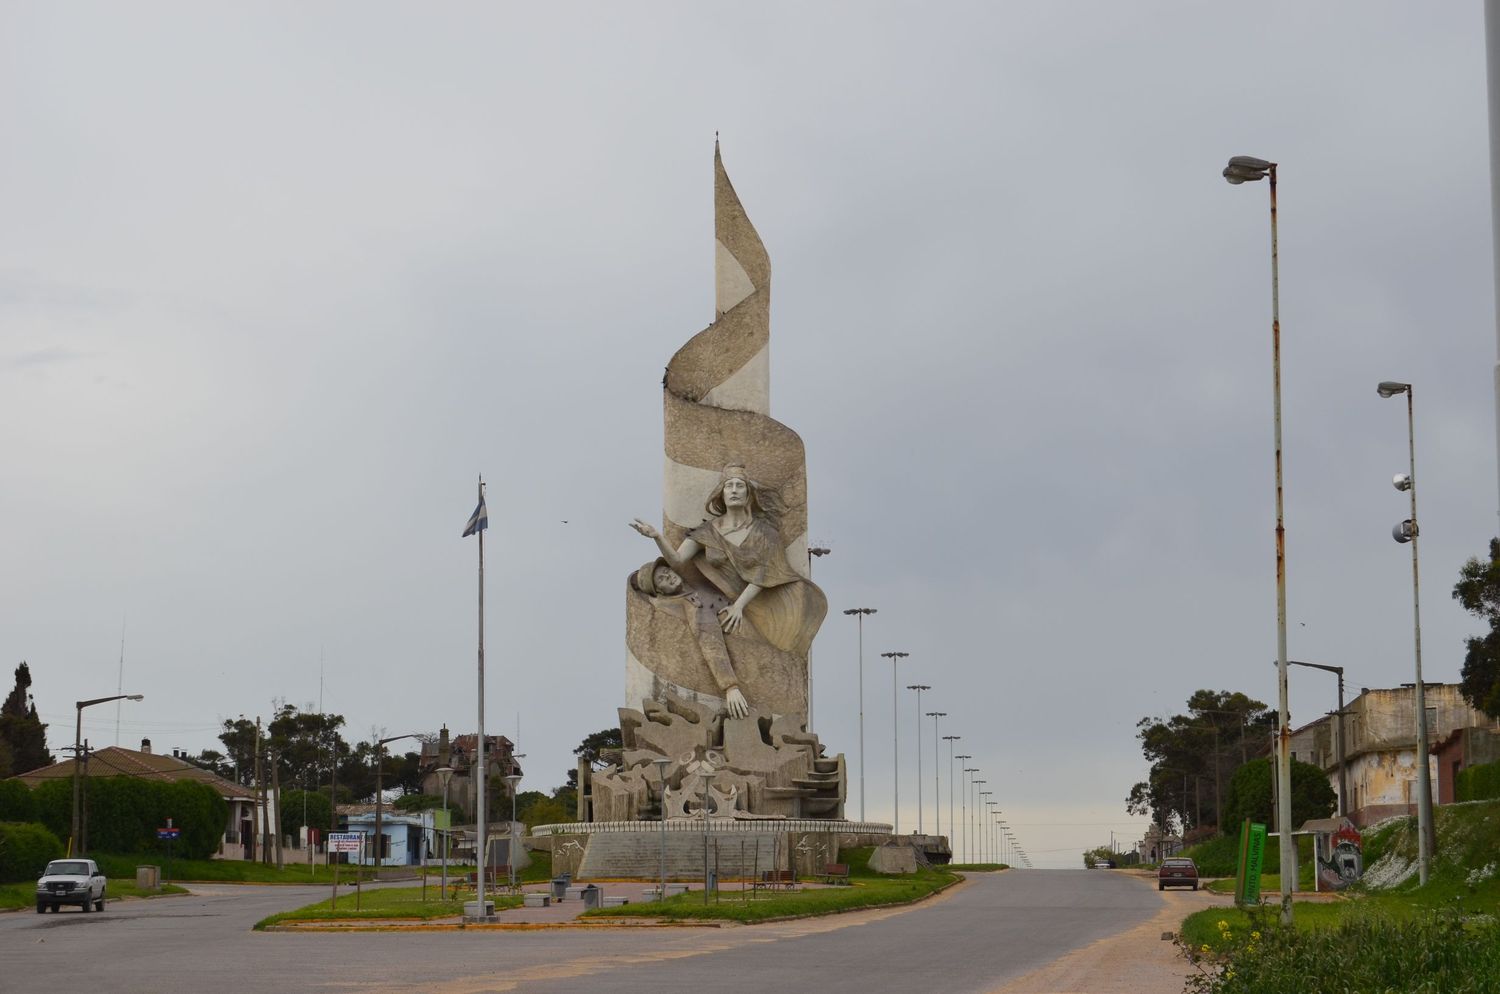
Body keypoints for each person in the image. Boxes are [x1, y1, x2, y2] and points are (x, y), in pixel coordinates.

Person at [630, 463, 824, 658]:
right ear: (721, 494)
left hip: (768, 604)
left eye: (739, 486)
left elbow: (764, 573)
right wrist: (657, 536)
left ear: (748, 494)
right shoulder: (708, 531)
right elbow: (677, 561)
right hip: (725, 603)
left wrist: (739, 606)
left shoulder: (765, 532)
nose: (734, 491)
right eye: (728, 486)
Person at [632, 558, 750, 719]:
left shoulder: (695, 586)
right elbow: (710, 644)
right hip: (749, 644)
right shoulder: (694, 606)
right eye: (661, 579)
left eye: (666, 571)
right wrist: (730, 687)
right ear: (660, 592)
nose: (668, 576)